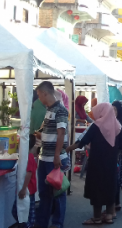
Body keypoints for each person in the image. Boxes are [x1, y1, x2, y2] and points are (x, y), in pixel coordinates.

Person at [66, 102, 122, 225]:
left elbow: (82, 141)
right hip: (112, 164)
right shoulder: (117, 125)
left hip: (97, 163)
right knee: (109, 186)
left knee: (96, 188)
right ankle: (109, 215)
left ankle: (97, 218)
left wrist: (67, 149)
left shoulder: (96, 125)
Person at [34, 81, 70, 228]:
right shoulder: (49, 109)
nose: (38, 99)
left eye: (38, 95)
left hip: (54, 159)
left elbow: (61, 133)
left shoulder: (60, 110)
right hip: (44, 157)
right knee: (44, 192)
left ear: (45, 93)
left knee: (58, 192)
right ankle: (42, 222)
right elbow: (49, 132)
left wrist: (56, 156)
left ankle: (57, 223)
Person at [11, 134, 37, 228]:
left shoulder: (28, 157)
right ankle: (25, 224)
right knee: (19, 210)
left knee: (28, 211)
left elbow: (29, 174)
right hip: (25, 189)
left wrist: (23, 189)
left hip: (27, 190)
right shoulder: (26, 157)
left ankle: (28, 225)